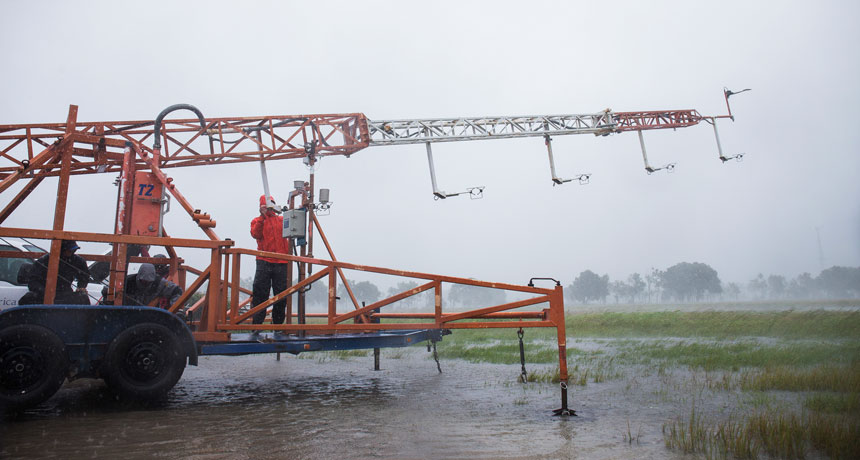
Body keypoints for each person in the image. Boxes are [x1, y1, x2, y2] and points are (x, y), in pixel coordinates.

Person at [250, 194, 291, 324]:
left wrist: (300, 209)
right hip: (264, 261)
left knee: (281, 295)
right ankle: (257, 325)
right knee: (260, 294)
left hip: (282, 262)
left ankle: (278, 325)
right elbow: (255, 234)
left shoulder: (282, 219)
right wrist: (263, 216)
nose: (269, 209)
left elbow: (293, 225)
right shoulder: (257, 221)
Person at [19, 240, 90, 305]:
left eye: (73, 250)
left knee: (83, 297)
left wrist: (81, 286)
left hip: (66, 294)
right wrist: (45, 292)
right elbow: (33, 282)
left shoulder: (78, 261)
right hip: (43, 295)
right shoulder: (43, 261)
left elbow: (84, 276)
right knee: (27, 299)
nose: (71, 253)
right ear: (62, 249)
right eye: (69, 250)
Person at [101, 263, 182, 308]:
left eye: (148, 282)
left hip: (148, 316)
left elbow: (177, 291)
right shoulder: (127, 282)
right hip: (127, 314)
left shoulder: (159, 282)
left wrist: (174, 308)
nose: (145, 284)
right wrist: (108, 297)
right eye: (143, 281)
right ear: (138, 276)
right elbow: (107, 290)